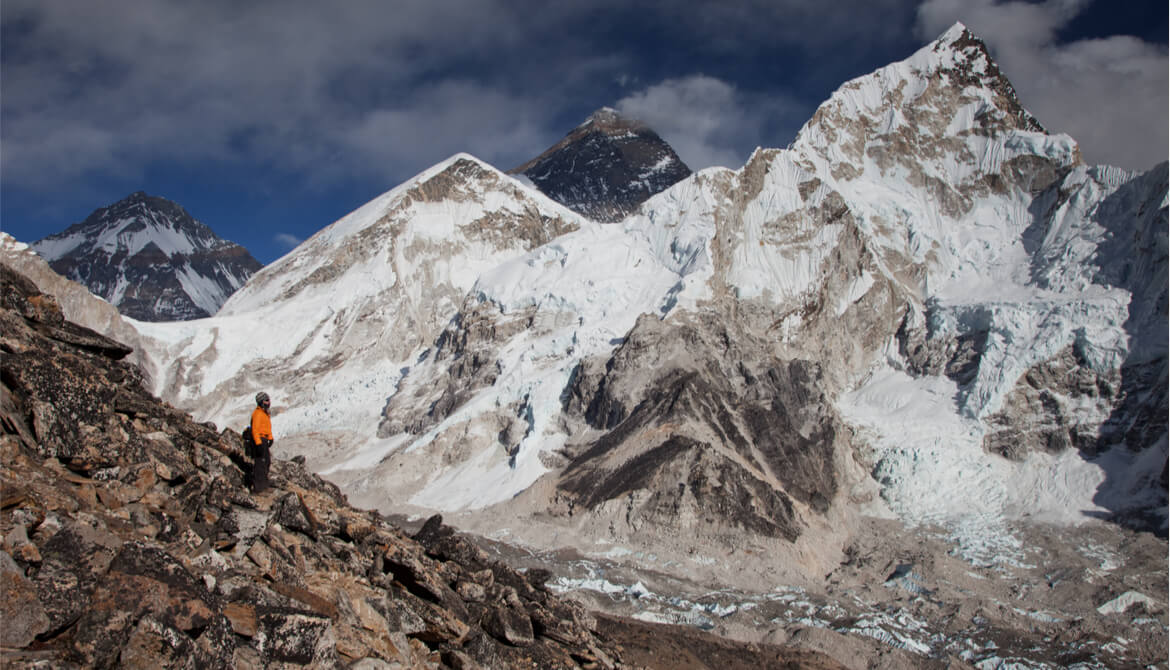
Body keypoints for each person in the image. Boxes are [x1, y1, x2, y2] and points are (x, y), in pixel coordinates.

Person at [250, 391, 274, 493]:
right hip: (259, 440)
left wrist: (270, 438)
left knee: (266, 462)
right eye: (266, 400)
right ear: (261, 402)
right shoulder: (258, 414)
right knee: (260, 464)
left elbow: (267, 428)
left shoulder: (264, 414)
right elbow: (255, 429)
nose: (269, 402)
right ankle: (258, 488)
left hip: (264, 440)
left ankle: (264, 486)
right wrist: (258, 443)